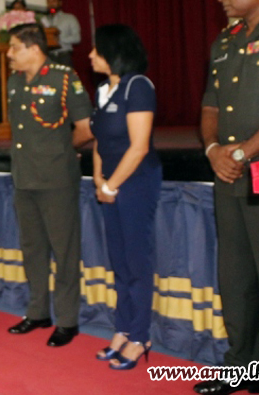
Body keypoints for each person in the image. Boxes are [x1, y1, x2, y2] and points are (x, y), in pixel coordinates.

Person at [196, 0, 259, 393]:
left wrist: (244, 152)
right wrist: (213, 150)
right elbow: (210, 104)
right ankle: (243, 369)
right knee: (236, 279)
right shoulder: (225, 41)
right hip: (229, 176)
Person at [6, 23, 93, 346]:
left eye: (14, 47)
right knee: (33, 249)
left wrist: (62, 150)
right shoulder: (14, 81)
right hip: (24, 177)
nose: (9, 54)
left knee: (64, 251)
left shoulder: (63, 77)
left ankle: (67, 320)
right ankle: (38, 312)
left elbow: (85, 128)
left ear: (33, 49)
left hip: (56, 178)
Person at [88, 24, 162, 370]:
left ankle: (140, 336)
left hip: (136, 182)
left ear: (114, 52)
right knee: (119, 261)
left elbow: (139, 147)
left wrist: (110, 186)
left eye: (97, 49)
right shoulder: (103, 89)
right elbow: (100, 141)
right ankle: (123, 328)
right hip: (111, 183)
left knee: (136, 261)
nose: (90, 55)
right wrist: (98, 178)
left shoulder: (138, 86)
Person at [41, 0, 81, 67]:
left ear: (60, 3)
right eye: (49, 2)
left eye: (53, 1)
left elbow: (77, 38)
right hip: (49, 57)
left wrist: (60, 39)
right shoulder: (44, 20)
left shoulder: (69, 18)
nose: (51, 4)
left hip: (64, 56)